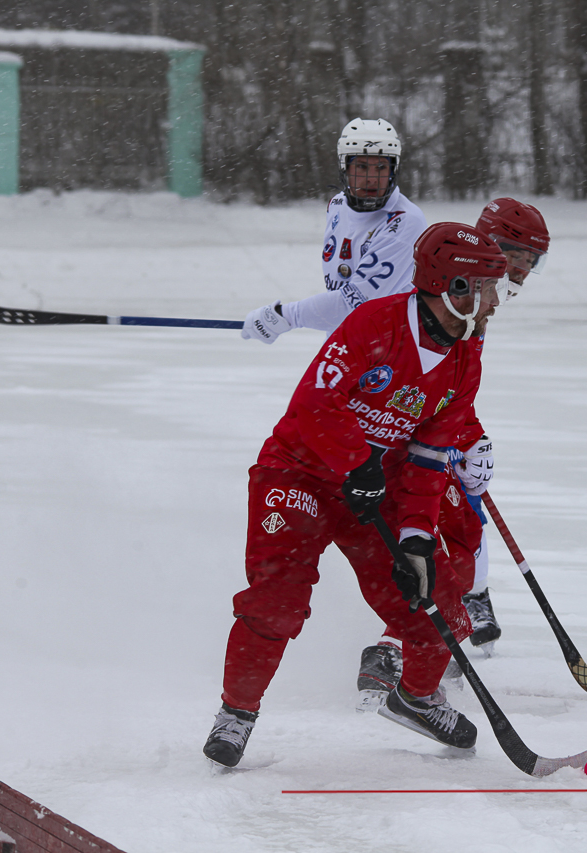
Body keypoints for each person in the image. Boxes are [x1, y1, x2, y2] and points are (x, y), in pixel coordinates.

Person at [203, 223, 509, 768]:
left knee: (436, 606)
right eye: (484, 290)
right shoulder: (375, 323)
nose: (492, 304)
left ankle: (414, 698)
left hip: (375, 493)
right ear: (452, 287)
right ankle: (237, 712)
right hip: (298, 475)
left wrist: (416, 534)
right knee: (278, 603)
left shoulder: (466, 359)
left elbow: (431, 455)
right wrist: (356, 460)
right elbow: (315, 404)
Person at [355, 198, 552, 710]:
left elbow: (453, 387)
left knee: (461, 529)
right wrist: (462, 440)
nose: (527, 271)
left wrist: (470, 436)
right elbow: (421, 383)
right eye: (523, 257)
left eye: (535, 260)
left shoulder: (478, 294)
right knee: (440, 539)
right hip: (392, 444)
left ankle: (446, 619)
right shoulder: (453, 291)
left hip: (426, 433)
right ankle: (393, 649)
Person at [239, 117, 427, 343]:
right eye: (361, 167)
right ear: (345, 168)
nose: (371, 179)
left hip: (391, 349)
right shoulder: (337, 206)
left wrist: (286, 316)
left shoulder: (405, 220)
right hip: (346, 344)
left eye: (380, 167)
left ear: (393, 170)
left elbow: (357, 303)